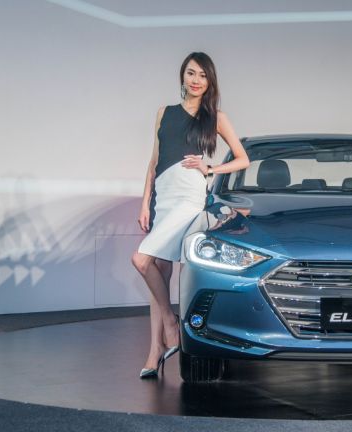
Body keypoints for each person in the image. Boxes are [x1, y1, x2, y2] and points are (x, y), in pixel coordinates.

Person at [131, 52, 249, 378]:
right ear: (182, 76)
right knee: (159, 270)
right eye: (191, 73)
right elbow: (154, 162)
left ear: (210, 82)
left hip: (188, 196)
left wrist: (210, 168)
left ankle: (172, 325)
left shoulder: (216, 117)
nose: (196, 80)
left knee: (141, 260)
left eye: (203, 75)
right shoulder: (164, 113)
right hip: (163, 196)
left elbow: (242, 159)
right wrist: (145, 202)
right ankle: (155, 352)